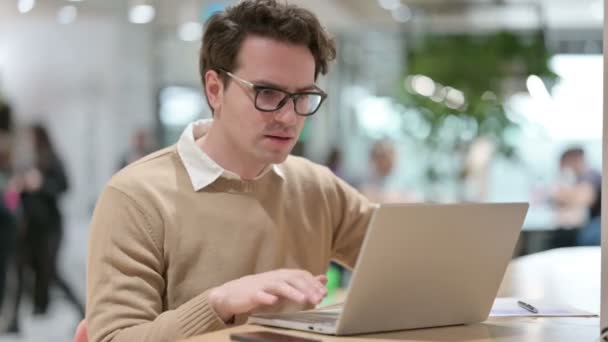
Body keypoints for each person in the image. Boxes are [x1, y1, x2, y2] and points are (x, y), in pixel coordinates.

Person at [86, 1, 376, 341]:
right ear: (214, 89)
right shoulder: (137, 197)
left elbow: (413, 263)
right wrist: (218, 303)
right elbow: (114, 337)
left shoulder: (317, 188)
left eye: (303, 96)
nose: (289, 117)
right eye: (268, 93)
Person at [8, 124, 85, 333]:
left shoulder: (52, 159)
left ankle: (83, 311)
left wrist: (41, 183)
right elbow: (16, 196)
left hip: (49, 229)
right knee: (20, 271)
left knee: (51, 273)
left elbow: (63, 187)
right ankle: (14, 321)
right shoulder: (27, 161)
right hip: (28, 230)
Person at [551, 147, 601, 246]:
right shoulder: (579, 179)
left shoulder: (590, 174)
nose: (561, 167)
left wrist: (563, 195)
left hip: (598, 225)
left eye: (563, 163)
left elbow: (584, 198)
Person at [358, 139, 419, 203]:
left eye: (391, 155)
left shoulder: (405, 181)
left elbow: (416, 201)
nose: (388, 160)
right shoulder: (364, 181)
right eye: (383, 156)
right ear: (374, 159)